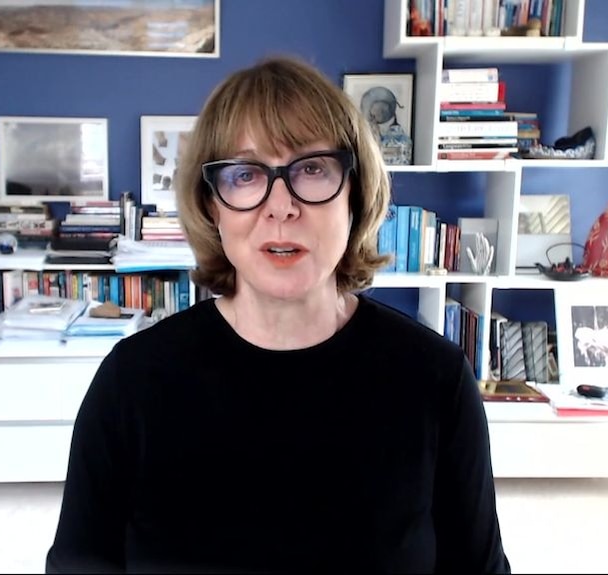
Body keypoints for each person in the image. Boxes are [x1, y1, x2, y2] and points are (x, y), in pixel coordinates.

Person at [45, 55, 511, 574]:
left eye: (311, 168)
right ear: (211, 206)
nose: (281, 206)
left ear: (354, 193)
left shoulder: (437, 381)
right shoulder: (130, 381)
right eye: (246, 175)